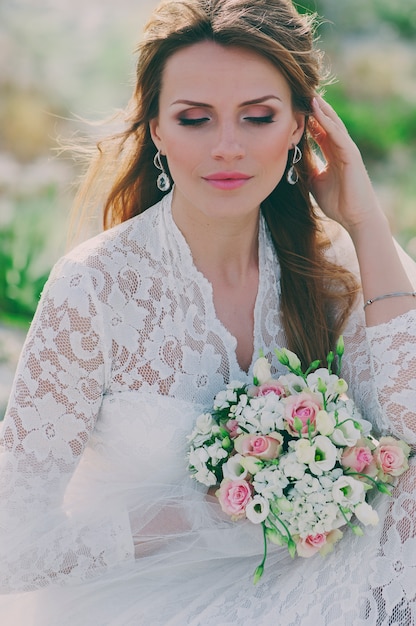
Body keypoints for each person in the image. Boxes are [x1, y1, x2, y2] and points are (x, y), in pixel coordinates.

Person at [0, 0, 415, 624]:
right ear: (157, 131)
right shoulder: (94, 290)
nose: (227, 147)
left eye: (258, 117)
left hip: (321, 591)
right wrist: (191, 519)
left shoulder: (334, 263)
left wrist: (365, 222)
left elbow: (408, 427)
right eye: (195, 119)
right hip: (151, 603)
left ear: (302, 126)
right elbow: (13, 542)